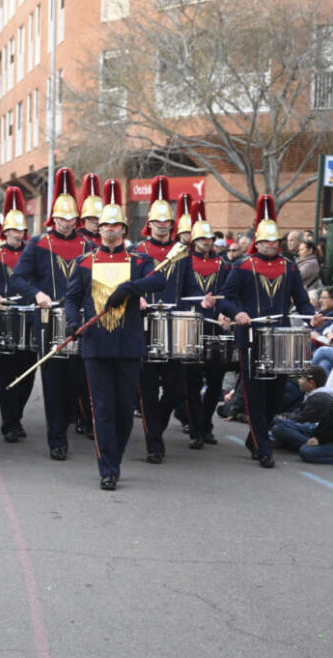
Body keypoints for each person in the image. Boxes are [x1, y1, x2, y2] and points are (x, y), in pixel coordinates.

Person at [64, 183, 167, 490]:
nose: (110, 229)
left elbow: (160, 279)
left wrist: (131, 288)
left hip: (128, 346)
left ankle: (115, 456)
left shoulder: (138, 260)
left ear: (124, 228)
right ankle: (107, 468)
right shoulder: (84, 262)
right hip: (96, 345)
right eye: (105, 224)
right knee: (103, 409)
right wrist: (72, 322)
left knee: (124, 411)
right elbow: (71, 298)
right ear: (99, 229)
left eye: (115, 225)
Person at [216, 195, 315, 468]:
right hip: (250, 338)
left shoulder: (290, 267)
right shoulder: (243, 267)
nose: (271, 246)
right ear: (257, 243)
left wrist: (311, 317)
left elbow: (302, 300)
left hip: (281, 337)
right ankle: (263, 447)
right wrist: (237, 313)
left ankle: (255, 437)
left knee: (276, 395)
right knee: (255, 394)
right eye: (266, 242)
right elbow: (225, 298)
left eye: (275, 242)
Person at [9, 172, 92, 459]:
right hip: (47, 322)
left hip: (79, 322)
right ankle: (57, 440)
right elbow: (17, 279)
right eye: (61, 220)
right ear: (53, 219)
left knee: (78, 383)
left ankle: (68, 421)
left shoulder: (87, 246)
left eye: (71, 220)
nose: (66, 225)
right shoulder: (37, 244)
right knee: (54, 384)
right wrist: (37, 295)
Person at [133, 177, 199, 464]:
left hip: (175, 329)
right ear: (150, 223)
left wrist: (202, 299)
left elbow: (190, 288)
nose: (163, 227)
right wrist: (137, 297)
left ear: (173, 225)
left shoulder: (183, 253)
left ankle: (156, 427)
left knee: (175, 389)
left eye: (167, 223)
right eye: (158, 223)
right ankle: (153, 444)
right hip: (145, 327)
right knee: (147, 390)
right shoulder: (137, 251)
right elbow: (127, 284)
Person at [0, 189, 34, 443]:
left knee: (28, 373)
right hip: (4, 318)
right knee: (6, 373)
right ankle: (9, 422)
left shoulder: (33, 252)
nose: (17, 234)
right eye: (13, 231)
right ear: (5, 233)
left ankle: (17, 416)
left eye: (21, 231)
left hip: (29, 317)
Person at [182, 203, 230, 448]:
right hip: (191, 328)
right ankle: (195, 427)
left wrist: (225, 314)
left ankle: (206, 423)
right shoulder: (184, 263)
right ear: (194, 241)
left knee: (215, 381)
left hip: (215, 329)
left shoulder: (224, 265)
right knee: (191, 382)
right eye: (202, 239)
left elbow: (228, 294)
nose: (207, 243)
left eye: (209, 239)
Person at [271, 368, 333, 465]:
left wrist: (319, 440)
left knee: (306, 452)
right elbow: (326, 421)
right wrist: (317, 435)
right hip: (319, 430)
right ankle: (309, 442)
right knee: (279, 426)